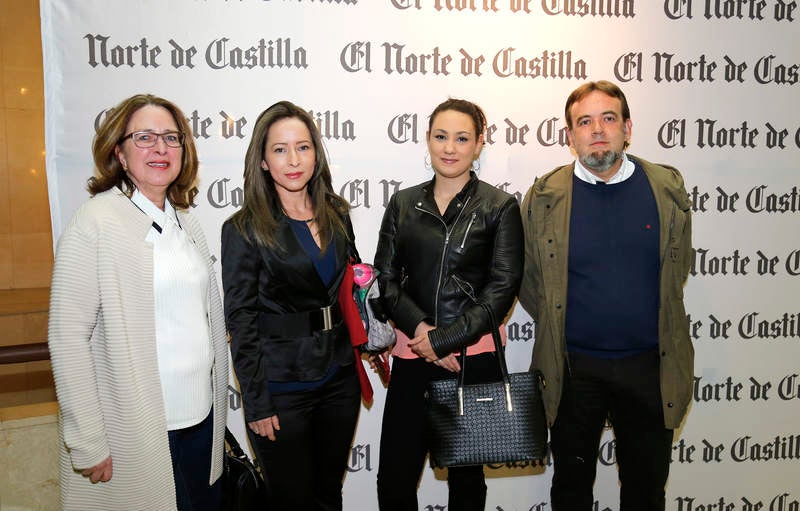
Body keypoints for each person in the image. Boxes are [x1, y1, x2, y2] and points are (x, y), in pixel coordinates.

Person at [47, 94, 228, 511]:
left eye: (171, 138)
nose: (160, 148)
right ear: (120, 153)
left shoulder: (187, 222)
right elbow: (67, 337)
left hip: (200, 423)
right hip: (137, 432)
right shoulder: (95, 221)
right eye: (144, 137)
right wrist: (88, 439)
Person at [518, 80, 693, 510]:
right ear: (570, 135)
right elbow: (528, 279)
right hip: (573, 370)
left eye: (608, 118)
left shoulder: (665, 189)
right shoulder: (543, 197)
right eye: (585, 121)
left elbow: (678, 268)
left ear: (627, 128)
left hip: (649, 368)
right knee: (571, 491)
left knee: (646, 490)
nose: (597, 130)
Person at [374, 98, 524, 511]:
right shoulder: (404, 204)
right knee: (395, 481)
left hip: (472, 362)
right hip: (411, 356)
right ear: (427, 140)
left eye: (462, 138)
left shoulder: (499, 206)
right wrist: (425, 334)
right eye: (441, 136)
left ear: (479, 144)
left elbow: (502, 288)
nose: (450, 147)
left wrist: (448, 340)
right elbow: (384, 281)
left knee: (467, 484)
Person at [221, 100, 361, 511]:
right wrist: (257, 401)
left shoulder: (336, 212)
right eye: (280, 150)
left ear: (316, 154)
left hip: (339, 378)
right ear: (263, 161)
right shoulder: (244, 229)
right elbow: (241, 320)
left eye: (303, 147)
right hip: (282, 389)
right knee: (292, 501)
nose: (293, 160)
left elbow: (349, 285)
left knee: (328, 494)